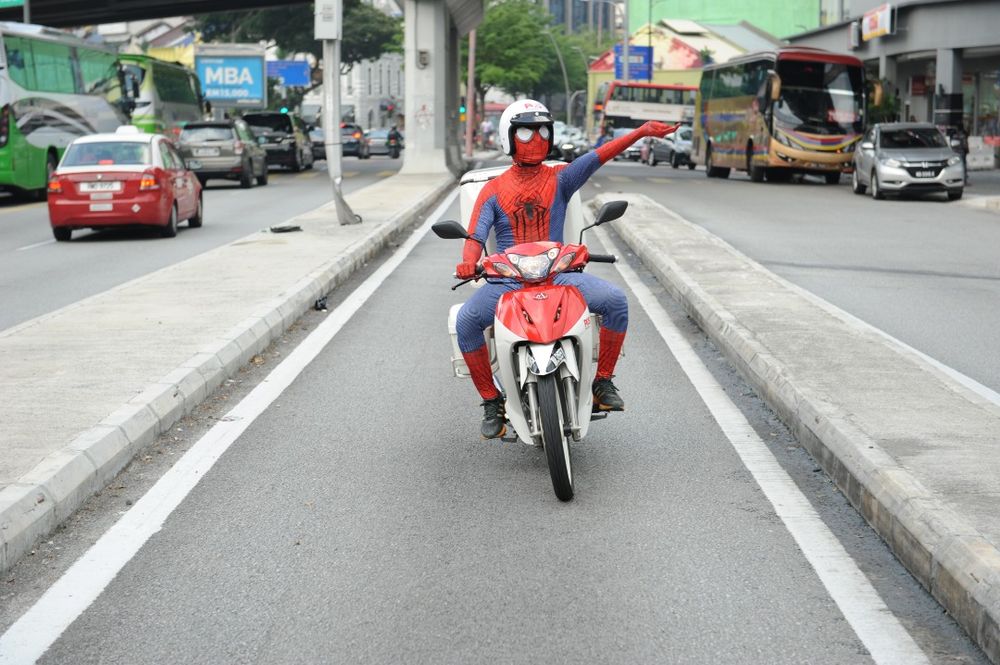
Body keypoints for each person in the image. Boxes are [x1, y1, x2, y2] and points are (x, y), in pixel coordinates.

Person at [455, 99, 678, 439]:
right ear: (509, 137)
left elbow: (598, 156)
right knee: (467, 321)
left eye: (543, 131)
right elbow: (475, 235)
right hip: (508, 280)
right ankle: (491, 400)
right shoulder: (493, 190)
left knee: (615, 301)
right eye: (526, 132)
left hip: (558, 274)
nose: (536, 139)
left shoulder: (561, 178)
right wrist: (468, 261)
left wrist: (642, 132)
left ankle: (602, 382)